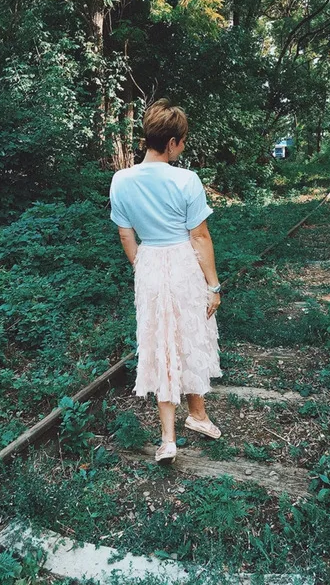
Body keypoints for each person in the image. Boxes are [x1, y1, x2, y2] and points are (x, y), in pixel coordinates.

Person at [109, 98, 223, 464]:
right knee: (189, 335)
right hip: (183, 263)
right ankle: (195, 417)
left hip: (149, 263)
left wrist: (142, 266)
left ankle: (171, 436)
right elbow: (199, 236)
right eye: (183, 141)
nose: (183, 147)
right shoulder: (186, 180)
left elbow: (126, 235)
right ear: (172, 142)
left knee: (160, 341)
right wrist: (214, 285)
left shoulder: (121, 180)